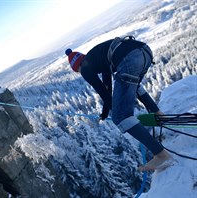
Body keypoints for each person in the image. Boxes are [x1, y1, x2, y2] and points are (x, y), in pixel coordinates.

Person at [65, 36, 173, 171]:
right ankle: (158, 114)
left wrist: (116, 112)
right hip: (144, 51)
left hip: (129, 59)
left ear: (77, 67)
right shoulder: (95, 58)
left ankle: (161, 155)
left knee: (120, 117)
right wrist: (105, 113)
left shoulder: (85, 69)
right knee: (134, 86)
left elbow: (102, 91)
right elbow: (107, 87)